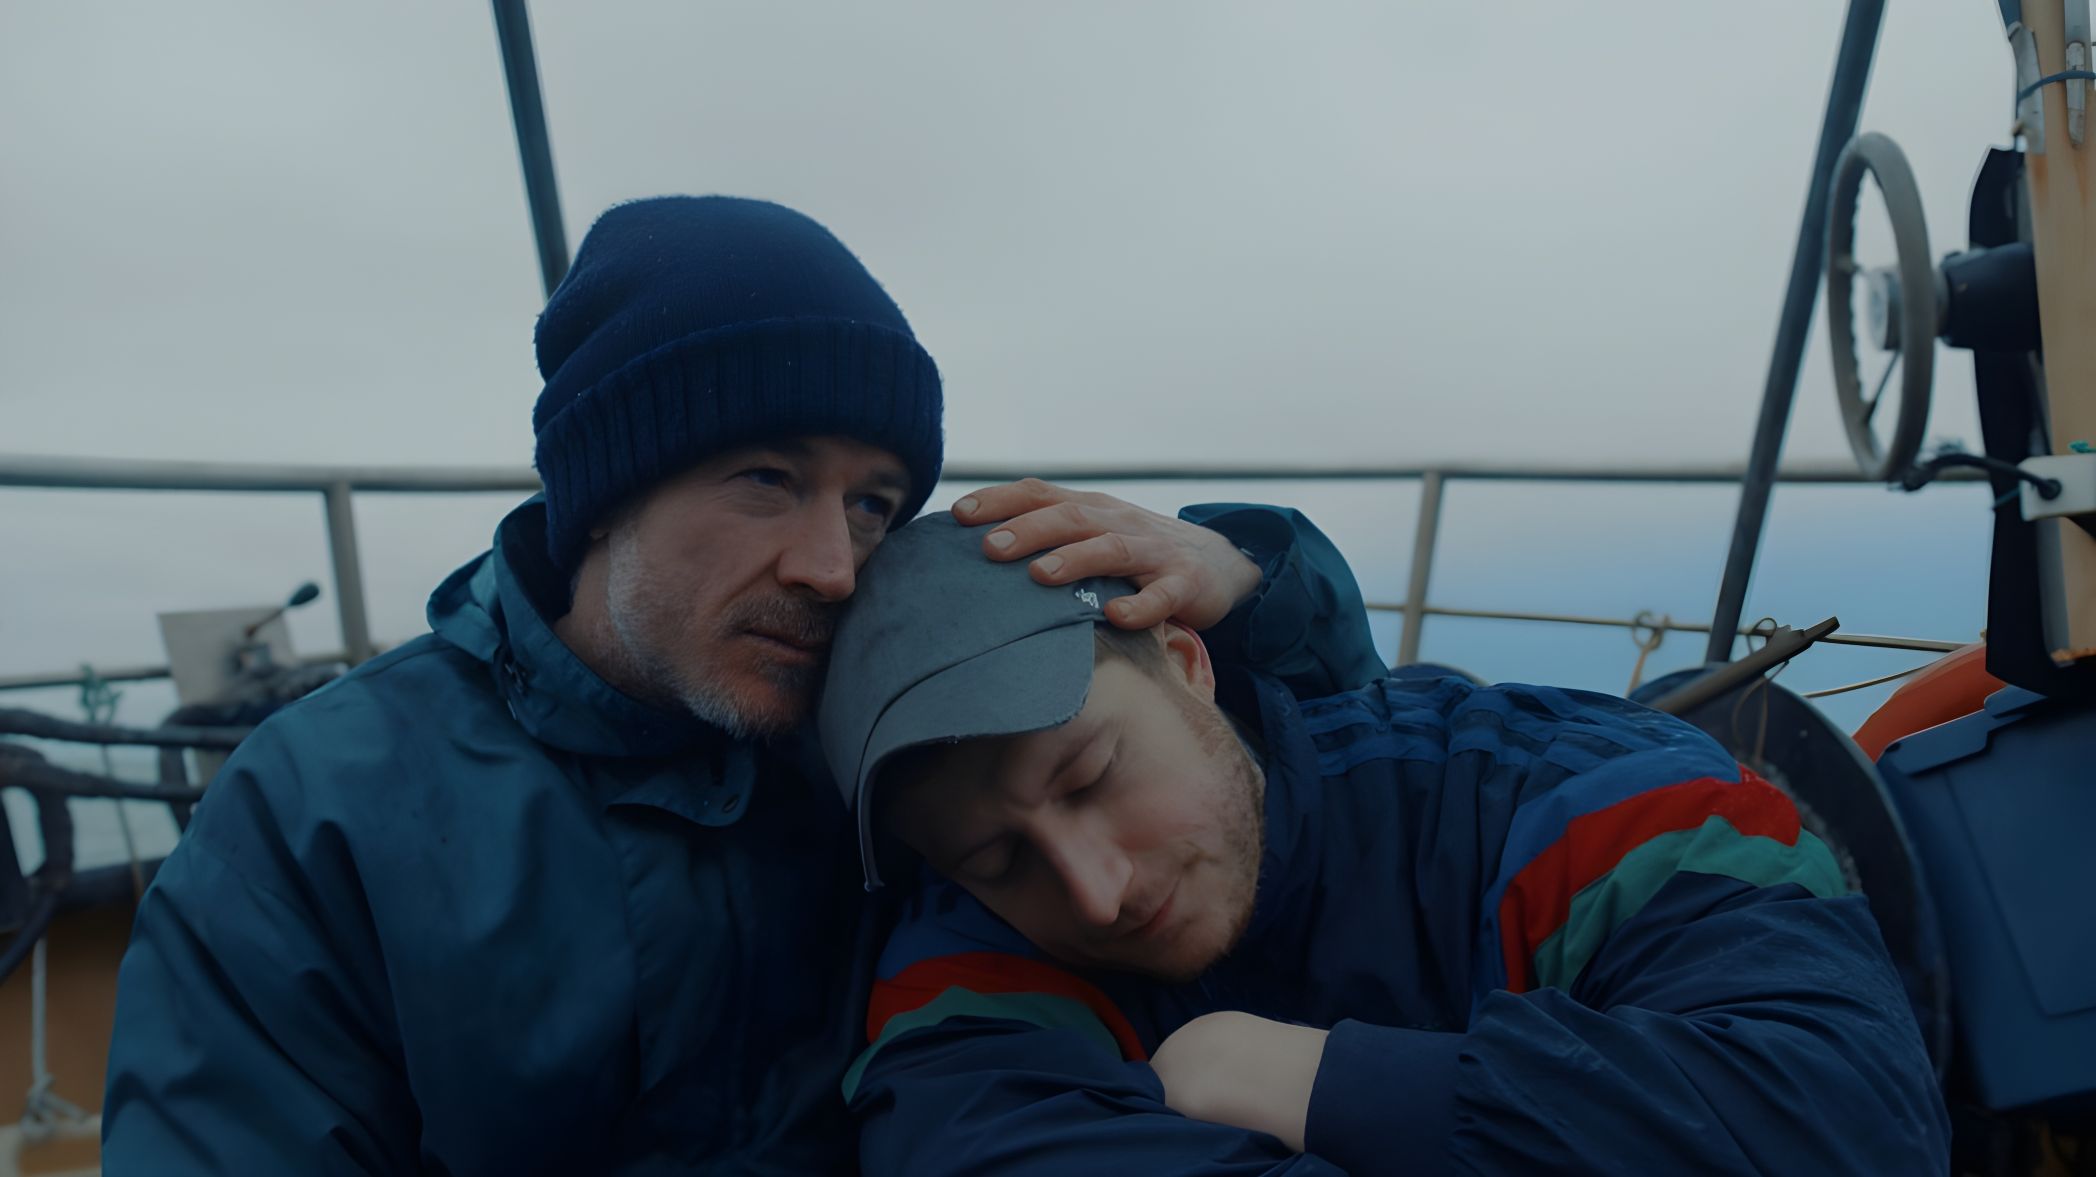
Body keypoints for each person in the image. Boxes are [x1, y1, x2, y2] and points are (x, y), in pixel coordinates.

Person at [99, 196, 1387, 1173]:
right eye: (765, 479)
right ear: (602, 496)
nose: (832, 567)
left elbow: (1314, 790)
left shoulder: (896, 735)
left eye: (873, 501)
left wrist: (1248, 583)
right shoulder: (320, 813)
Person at [820, 512, 1952, 1175]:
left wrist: (1314, 1082)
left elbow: (1851, 1126)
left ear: (1186, 661)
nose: (1093, 891)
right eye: (998, 860)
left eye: (1091, 775)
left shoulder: (1566, 790)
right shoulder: (965, 971)